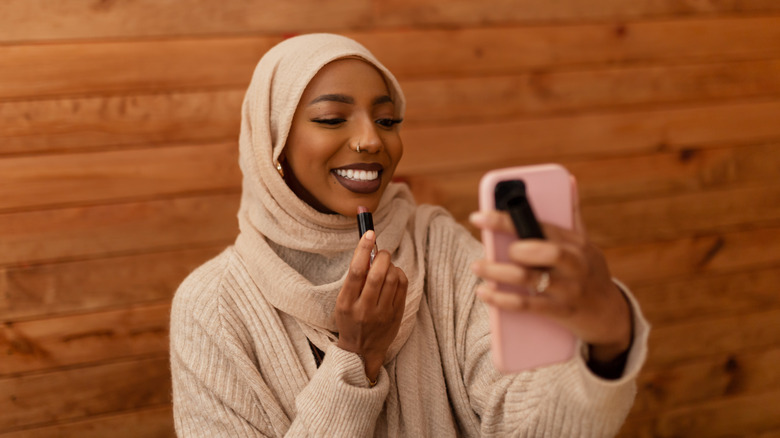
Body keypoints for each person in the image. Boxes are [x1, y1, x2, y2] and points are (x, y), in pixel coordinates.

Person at [169, 33, 649, 437]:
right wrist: (356, 358)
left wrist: (607, 336)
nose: (372, 140)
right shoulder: (210, 307)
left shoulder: (436, 244)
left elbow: (526, 422)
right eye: (332, 118)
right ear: (272, 145)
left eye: (387, 120)